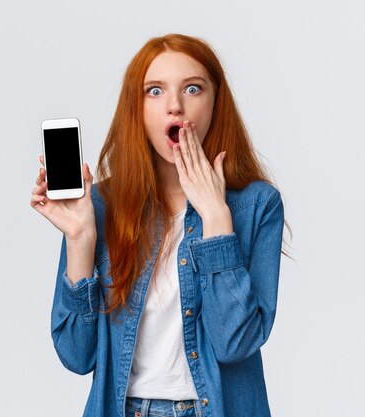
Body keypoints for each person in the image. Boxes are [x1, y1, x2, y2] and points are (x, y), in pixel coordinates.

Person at [31, 33, 289, 417]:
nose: (175, 106)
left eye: (193, 88)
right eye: (155, 91)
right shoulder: (101, 206)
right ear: (137, 109)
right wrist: (82, 238)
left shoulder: (255, 206)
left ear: (216, 102)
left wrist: (217, 220)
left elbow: (235, 343)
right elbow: (76, 354)